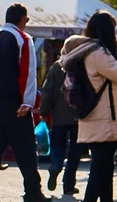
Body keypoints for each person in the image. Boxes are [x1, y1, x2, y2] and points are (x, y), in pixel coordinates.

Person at [58, 11, 117, 202]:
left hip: (94, 116)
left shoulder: (85, 50)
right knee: (100, 169)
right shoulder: (98, 52)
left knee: (104, 169)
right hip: (104, 118)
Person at [0, 4, 46, 202]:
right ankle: (33, 192)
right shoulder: (23, 39)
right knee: (25, 150)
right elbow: (28, 72)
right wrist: (28, 102)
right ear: (22, 19)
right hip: (13, 103)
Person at [40, 45, 84, 197]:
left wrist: (44, 111)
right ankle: (69, 185)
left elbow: (47, 91)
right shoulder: (82, 66)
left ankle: (55, 166)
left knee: (58, 145)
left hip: (58, 117)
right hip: (78, 116)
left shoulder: (56, 67)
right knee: (74, 152)